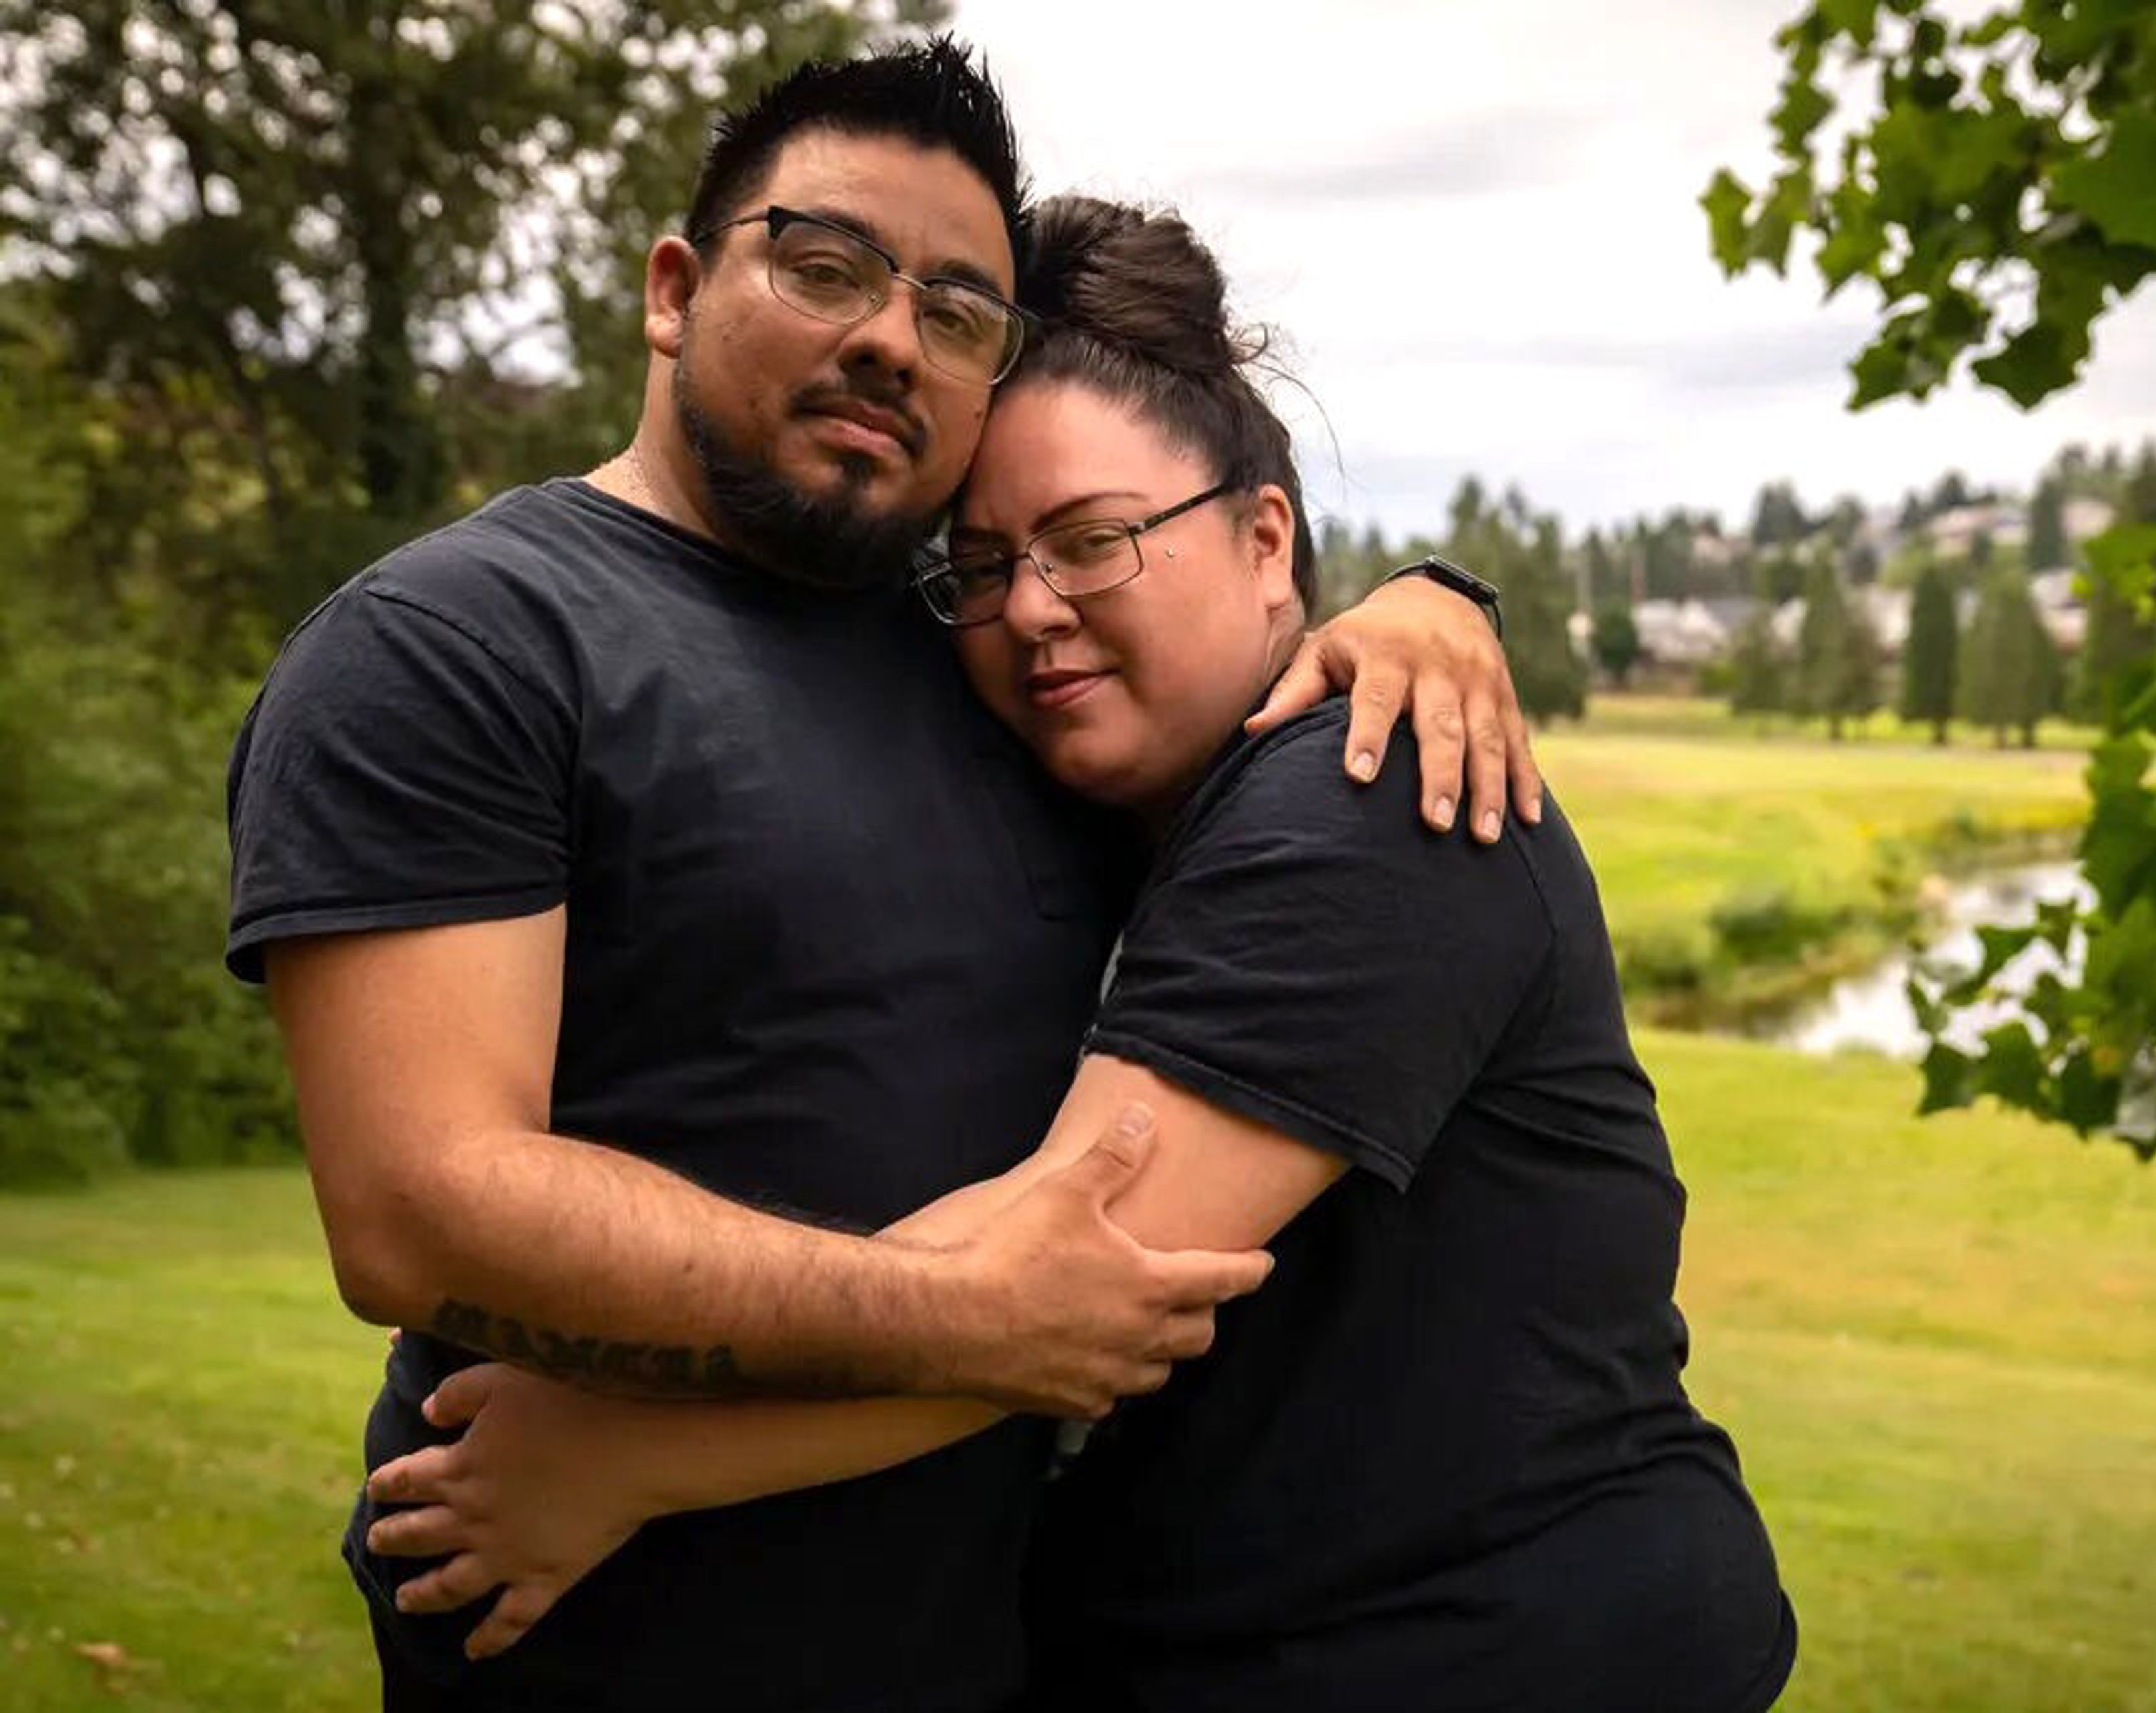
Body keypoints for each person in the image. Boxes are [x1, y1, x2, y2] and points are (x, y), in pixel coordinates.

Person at [225, 41, 1537, 1713]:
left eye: (960, 311)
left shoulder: (980, 652)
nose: (887, 337)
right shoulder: (461, 644)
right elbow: (418, 1213)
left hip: (987, 1651)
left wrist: (1424, 603)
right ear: (677, 288)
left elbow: (1206, 665)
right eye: (828, 264)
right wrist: (965, 1315)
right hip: (600, 1642)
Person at [360, 195, 1796, 1711]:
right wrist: (1430, 597)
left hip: (1476, 1646)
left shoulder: (1364, 800)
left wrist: (628, 1455)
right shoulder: (1108, 810)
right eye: (979, 566)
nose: (1030, 609)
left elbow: (1070, 1283)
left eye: (1093, 542)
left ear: (1263, 541)